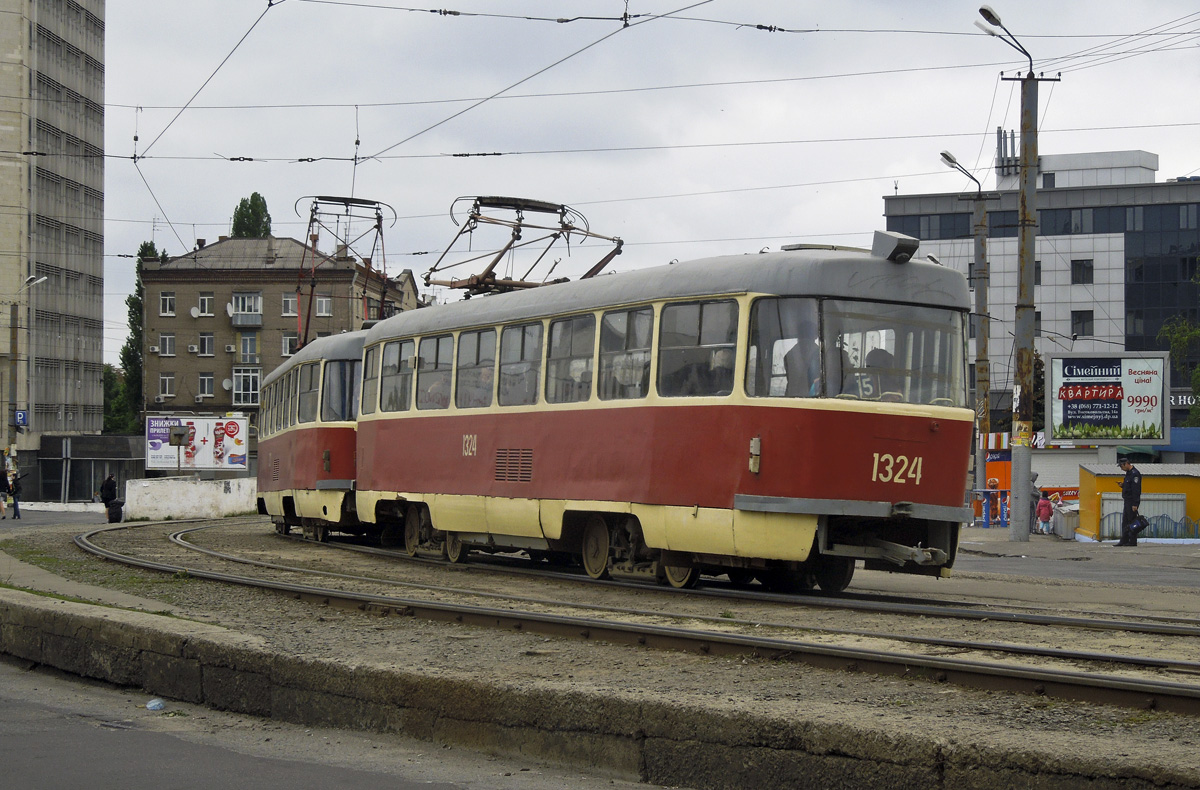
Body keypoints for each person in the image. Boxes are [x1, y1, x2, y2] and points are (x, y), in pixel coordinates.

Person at [1115, 457, 1143, 546]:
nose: (1121, 468)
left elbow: (1136, 490)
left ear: (1127, 464)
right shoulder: (1128, 473)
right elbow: (1129, 487)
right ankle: (1124, 540)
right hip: (1127, 501)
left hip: (1131, 502)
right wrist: (1123, 485)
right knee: (1125, 522)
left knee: (1131, 522)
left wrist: (1135, 504)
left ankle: (1132, 541)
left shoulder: (1135, 474)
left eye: (1122, 466)